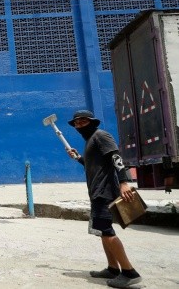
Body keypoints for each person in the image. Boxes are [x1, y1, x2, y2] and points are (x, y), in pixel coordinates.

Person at [65, 110, 141, 288]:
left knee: (106, 232)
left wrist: (124, 182)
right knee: (102, 231)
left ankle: (130, 272)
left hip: (105, 192)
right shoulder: (91, 140)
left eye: (83, 121)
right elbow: (94, 165)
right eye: (76, 123)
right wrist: (78, 158)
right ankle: (113, 268)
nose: (79, 125)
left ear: (92, 122)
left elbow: (116, 158)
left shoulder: (101, 135)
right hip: (97, 192)